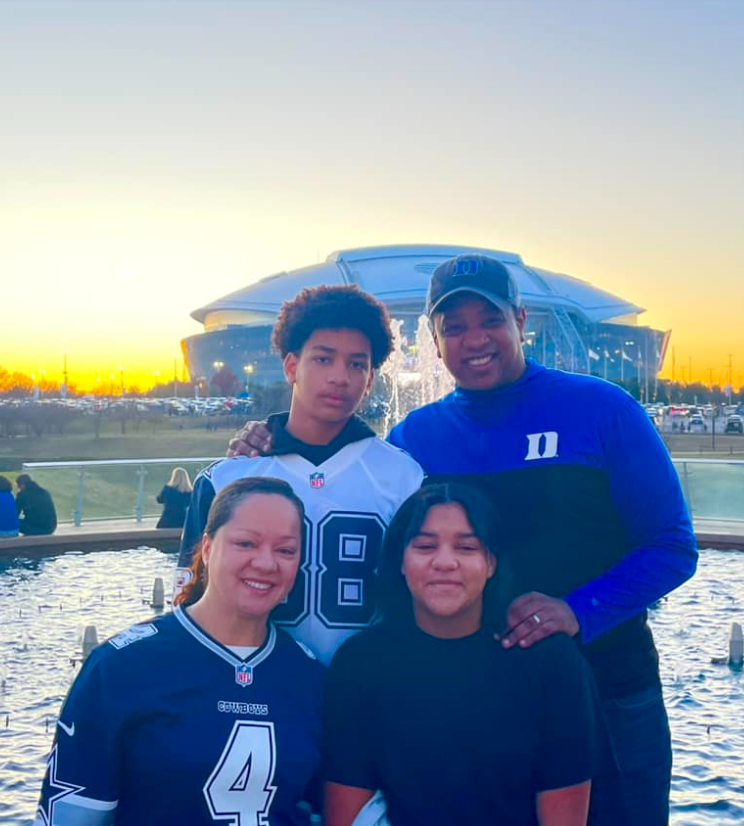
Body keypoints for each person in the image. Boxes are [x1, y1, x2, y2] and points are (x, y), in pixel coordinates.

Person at [229, 254, 697, 825]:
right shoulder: (417, 439)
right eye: (454, 326)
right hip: (482, 696)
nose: (475, 339)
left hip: (608, 684)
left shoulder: (602, 410)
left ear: (522, 321)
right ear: (434, 338)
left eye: (490, 320)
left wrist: (577, 610)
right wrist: (267, 438)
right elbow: (356, 505)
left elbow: (672, 544)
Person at [35, 477, 325, 826]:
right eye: (246, 543)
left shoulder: (309, 675)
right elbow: (72, 817)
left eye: (286, 550)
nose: (265, 563)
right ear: (207, 546)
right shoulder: (121, 667)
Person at [324, 483, 600, 826]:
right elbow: (346, 813)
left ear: (491, 563)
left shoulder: (550, 662)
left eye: (466, 547)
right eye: (425, 546)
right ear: (400, 561)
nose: (445, 562)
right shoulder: (359, 664)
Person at [176, 284, 424, 664]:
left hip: (368, 690)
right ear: (292, 366)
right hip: (252, 692)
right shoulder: (227, 478)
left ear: (371, 378)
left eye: (357, 364)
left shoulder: (404, 477)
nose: (340, 377)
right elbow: (189, 602)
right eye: (323, 359)